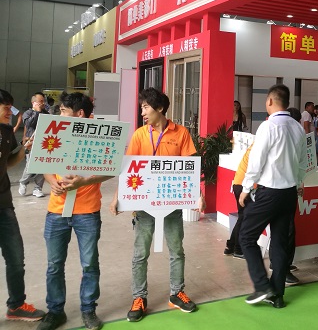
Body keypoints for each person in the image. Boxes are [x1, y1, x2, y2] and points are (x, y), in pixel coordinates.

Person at [109, 88, 200, 322]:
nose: (142, 113)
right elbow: (130, 169)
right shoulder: (140, 135)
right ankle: (139, 298)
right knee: (140, 254)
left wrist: (198, 195)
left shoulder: (181, 133)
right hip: (144, 206)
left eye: (145, 107)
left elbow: (190, 168)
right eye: (141, 108)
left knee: (177, 250)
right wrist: (118, 196)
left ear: (159, 108)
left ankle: (177, 293)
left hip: (171, 204)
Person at [39, 92, 112, 330]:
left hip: (87, 212)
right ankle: (55, 311)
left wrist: (84, 182)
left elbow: (110, 170)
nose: (59, 114)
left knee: (89, 264)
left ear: (80, 114)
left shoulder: (100, 136)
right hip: (56, 210)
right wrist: (52, 182)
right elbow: (44, 164)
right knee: (54, 264)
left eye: (63, 111)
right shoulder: (54, 131)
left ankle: (88, 310)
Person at [238, 84, 307, 309]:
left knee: (246, 236)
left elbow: (256, 161)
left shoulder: (268, 127)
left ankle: (261, 286)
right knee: (279, 243)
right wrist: (298, 183)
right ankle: (277, 295)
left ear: (270, 101)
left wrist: (246, 188)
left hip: (270, 192)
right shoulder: (298, 128)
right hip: (289, 193)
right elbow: (303, 163)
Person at [0, 89, 46, 323]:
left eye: (11, 107)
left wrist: (24, 149)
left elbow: (8, 162)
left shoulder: (7, 132)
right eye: (6, 108)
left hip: (4, 205)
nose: (10, 111)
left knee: (16, 257)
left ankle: (16, 305)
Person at [18, 92, 48, 198]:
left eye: (43, 101)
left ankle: (38, 188)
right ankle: (23, 182)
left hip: (43, 143)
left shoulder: (46, 113)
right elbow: (29, 124)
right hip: (31, 143)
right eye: (40, 101)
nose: (43, 103)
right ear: (33, 103)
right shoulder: (28, 113)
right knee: (31, 165)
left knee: (42, 165)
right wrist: (37, 112)